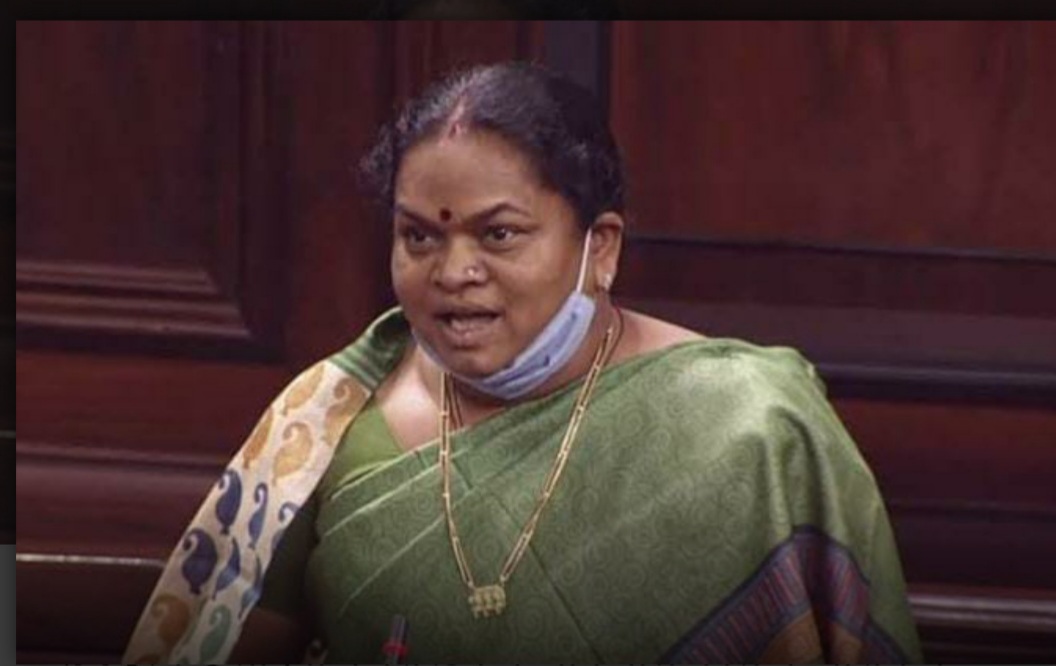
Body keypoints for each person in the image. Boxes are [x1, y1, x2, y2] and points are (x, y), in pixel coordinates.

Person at [123, 62, 922, 664]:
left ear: (599, 247)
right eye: (419, 236)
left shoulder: (750, 428)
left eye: (498, 234)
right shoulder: (328, 419)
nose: (453, 272)